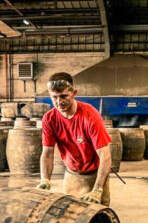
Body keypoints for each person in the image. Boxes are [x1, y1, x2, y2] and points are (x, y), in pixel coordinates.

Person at [37, 72, 112, 205]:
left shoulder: (90, 116)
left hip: (95, 175)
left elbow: (105, 155)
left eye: (64, 96)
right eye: (54, 97)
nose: (59, 102)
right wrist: (45, 179)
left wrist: (98, 189)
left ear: (74, 93)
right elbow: (47, 153)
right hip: (71, 174)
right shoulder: (49, 119)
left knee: (98, 218)